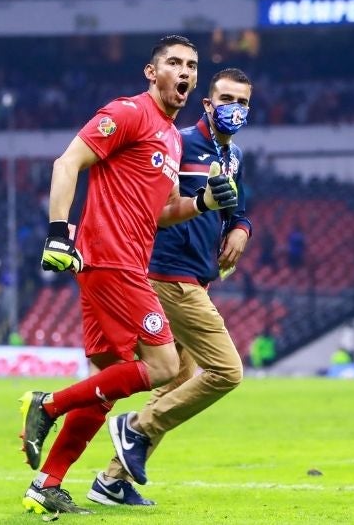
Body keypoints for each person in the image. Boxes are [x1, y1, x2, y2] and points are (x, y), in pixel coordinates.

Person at [19, 35, 238, 515]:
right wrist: (59, 233)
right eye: (175, 63)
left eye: (192, 66)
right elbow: (67, 161)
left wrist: (203, 203)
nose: (184, 72)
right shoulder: (130, 112)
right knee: (164, 369)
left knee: (104, 382)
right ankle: (48, 405)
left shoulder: (171, 138)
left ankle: (47, 484)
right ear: (151, 72)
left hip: (122, 263)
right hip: (111, 261)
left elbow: (160, 213)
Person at [92, 68, 254, 507]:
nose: (233, 109)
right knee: (226, 371)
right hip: (169, 273)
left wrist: (242, 229)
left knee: (176, 382)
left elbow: (237, 207)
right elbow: (153, 204)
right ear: (207, 102)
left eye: (242, 103)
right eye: (226, 99)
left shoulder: (234, 155)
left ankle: (110, 482)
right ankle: (135, 428)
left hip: (196, 275)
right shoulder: (176, 142)